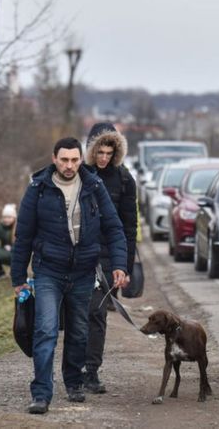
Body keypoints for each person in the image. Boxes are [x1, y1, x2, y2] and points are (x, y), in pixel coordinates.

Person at [11, 137, 129, 415]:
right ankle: (41, 393)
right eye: (64, 160)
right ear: (54, 159)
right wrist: (18, 278)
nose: (69, 165)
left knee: (78, 331)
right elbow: (23, 236)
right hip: (48, 271)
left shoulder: (93, 186)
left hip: (83, 272)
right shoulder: (38, 189)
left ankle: (74, 382)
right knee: (45, 331)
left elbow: (114, 227)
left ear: (80, 159)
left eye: (75, 160)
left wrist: (119, 264)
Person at [83, 122, 137, 394]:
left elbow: (129, 227)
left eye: (109, 152)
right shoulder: (78, 175)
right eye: (99, 152)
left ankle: (90, 371)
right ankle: (75, 367)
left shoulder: (125, 180)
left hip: (107, 256)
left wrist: (123, 268)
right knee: (75, 313)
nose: (103, 157)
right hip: (78, 254)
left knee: (96, 312)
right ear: (91, 150)